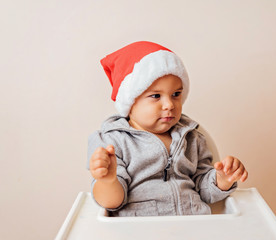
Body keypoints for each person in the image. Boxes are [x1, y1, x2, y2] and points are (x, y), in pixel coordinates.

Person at [87, 41, 248, 216]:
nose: (169, 104)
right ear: (130, 102)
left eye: (176, 94)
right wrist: (108, 181)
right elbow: (112, 203)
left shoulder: (192, 136)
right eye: (156, 96)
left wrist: (221, 179)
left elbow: (205, 191)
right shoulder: (112, 141)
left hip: (194, 225)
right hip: (141, 229)